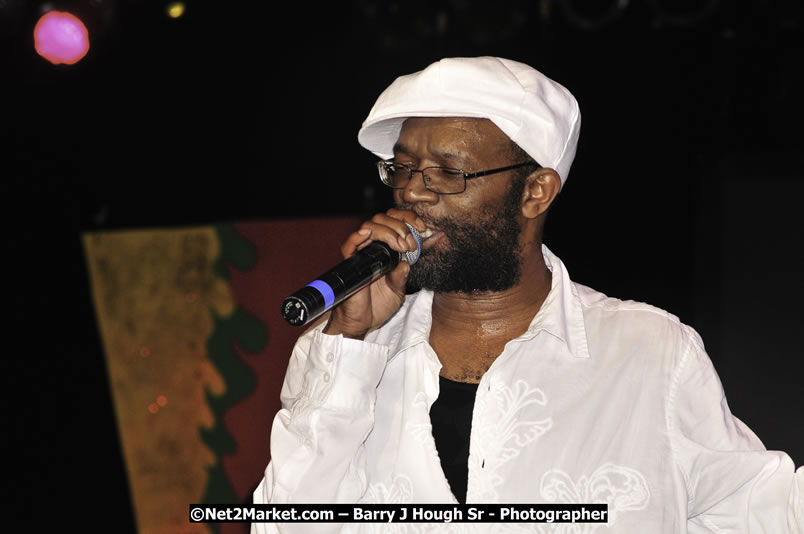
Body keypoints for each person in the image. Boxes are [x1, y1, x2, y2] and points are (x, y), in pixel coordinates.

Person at [252, 57, 802, 532]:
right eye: (404, 167)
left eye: (448, 172)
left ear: (536, 191)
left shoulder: (647, 351)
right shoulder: (341, 351)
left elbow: (759, 512)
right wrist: (350, 343)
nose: (413, 190)